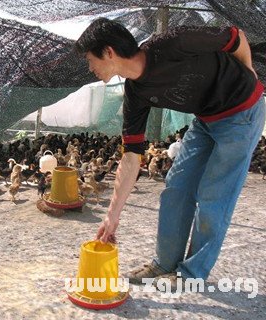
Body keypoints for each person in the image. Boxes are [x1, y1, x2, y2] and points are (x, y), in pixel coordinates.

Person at [75, 18, 265, 286]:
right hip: (206, 119)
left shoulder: (173, 43)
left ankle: (191, 274)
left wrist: (248, 72)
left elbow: (235, 36)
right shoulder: (135, 92)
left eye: (89, 59)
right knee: (175, 187)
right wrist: (112, 216)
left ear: (108, 52)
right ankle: (164, 264)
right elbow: (130, 158)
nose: (90, 67)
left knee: (214, 196)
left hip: (241, 114)